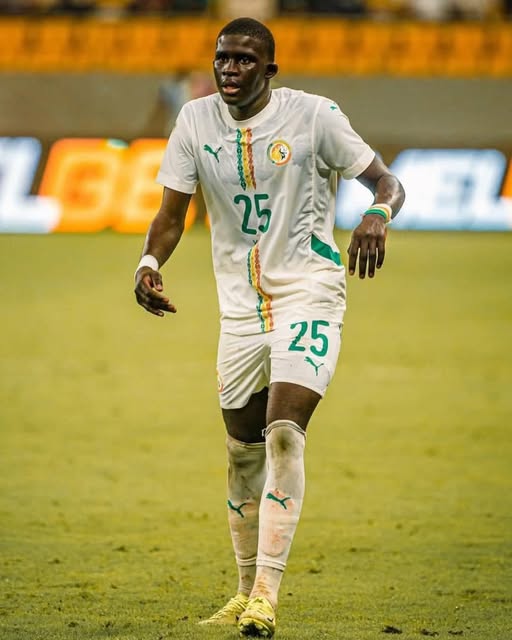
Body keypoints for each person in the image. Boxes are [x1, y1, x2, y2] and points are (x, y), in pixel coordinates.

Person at [134, 16, 405, 638]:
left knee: (284, 432)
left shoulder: (313, 116)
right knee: (241, 451)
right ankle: (241, 590)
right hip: (238, 308)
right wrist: (148, 263)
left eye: (244, 60)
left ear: (270, 70)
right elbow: (171, 214)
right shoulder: (194, 121)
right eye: (222, 58)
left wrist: (377, 212)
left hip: (309, 291)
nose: (229, 69)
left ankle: (266, 597)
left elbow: (386, 180)